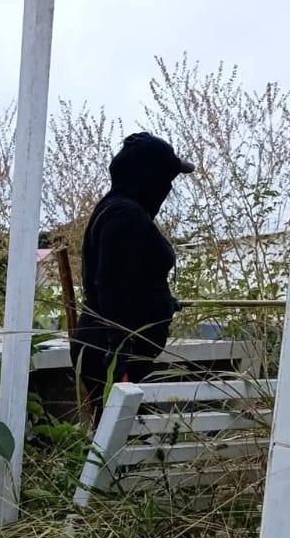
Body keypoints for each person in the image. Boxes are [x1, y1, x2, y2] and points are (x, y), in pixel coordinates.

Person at [70, 132, 196, 420]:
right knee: (121, 439)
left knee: (123, 436)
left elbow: (132, 280)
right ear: (150, 179)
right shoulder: (125, 216)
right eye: (167, 178)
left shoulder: (119, 208)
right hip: (113, 354)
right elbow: (110, 285)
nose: (169, 188)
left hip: (113, 349)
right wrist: (119, 351)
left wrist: (163, 302)